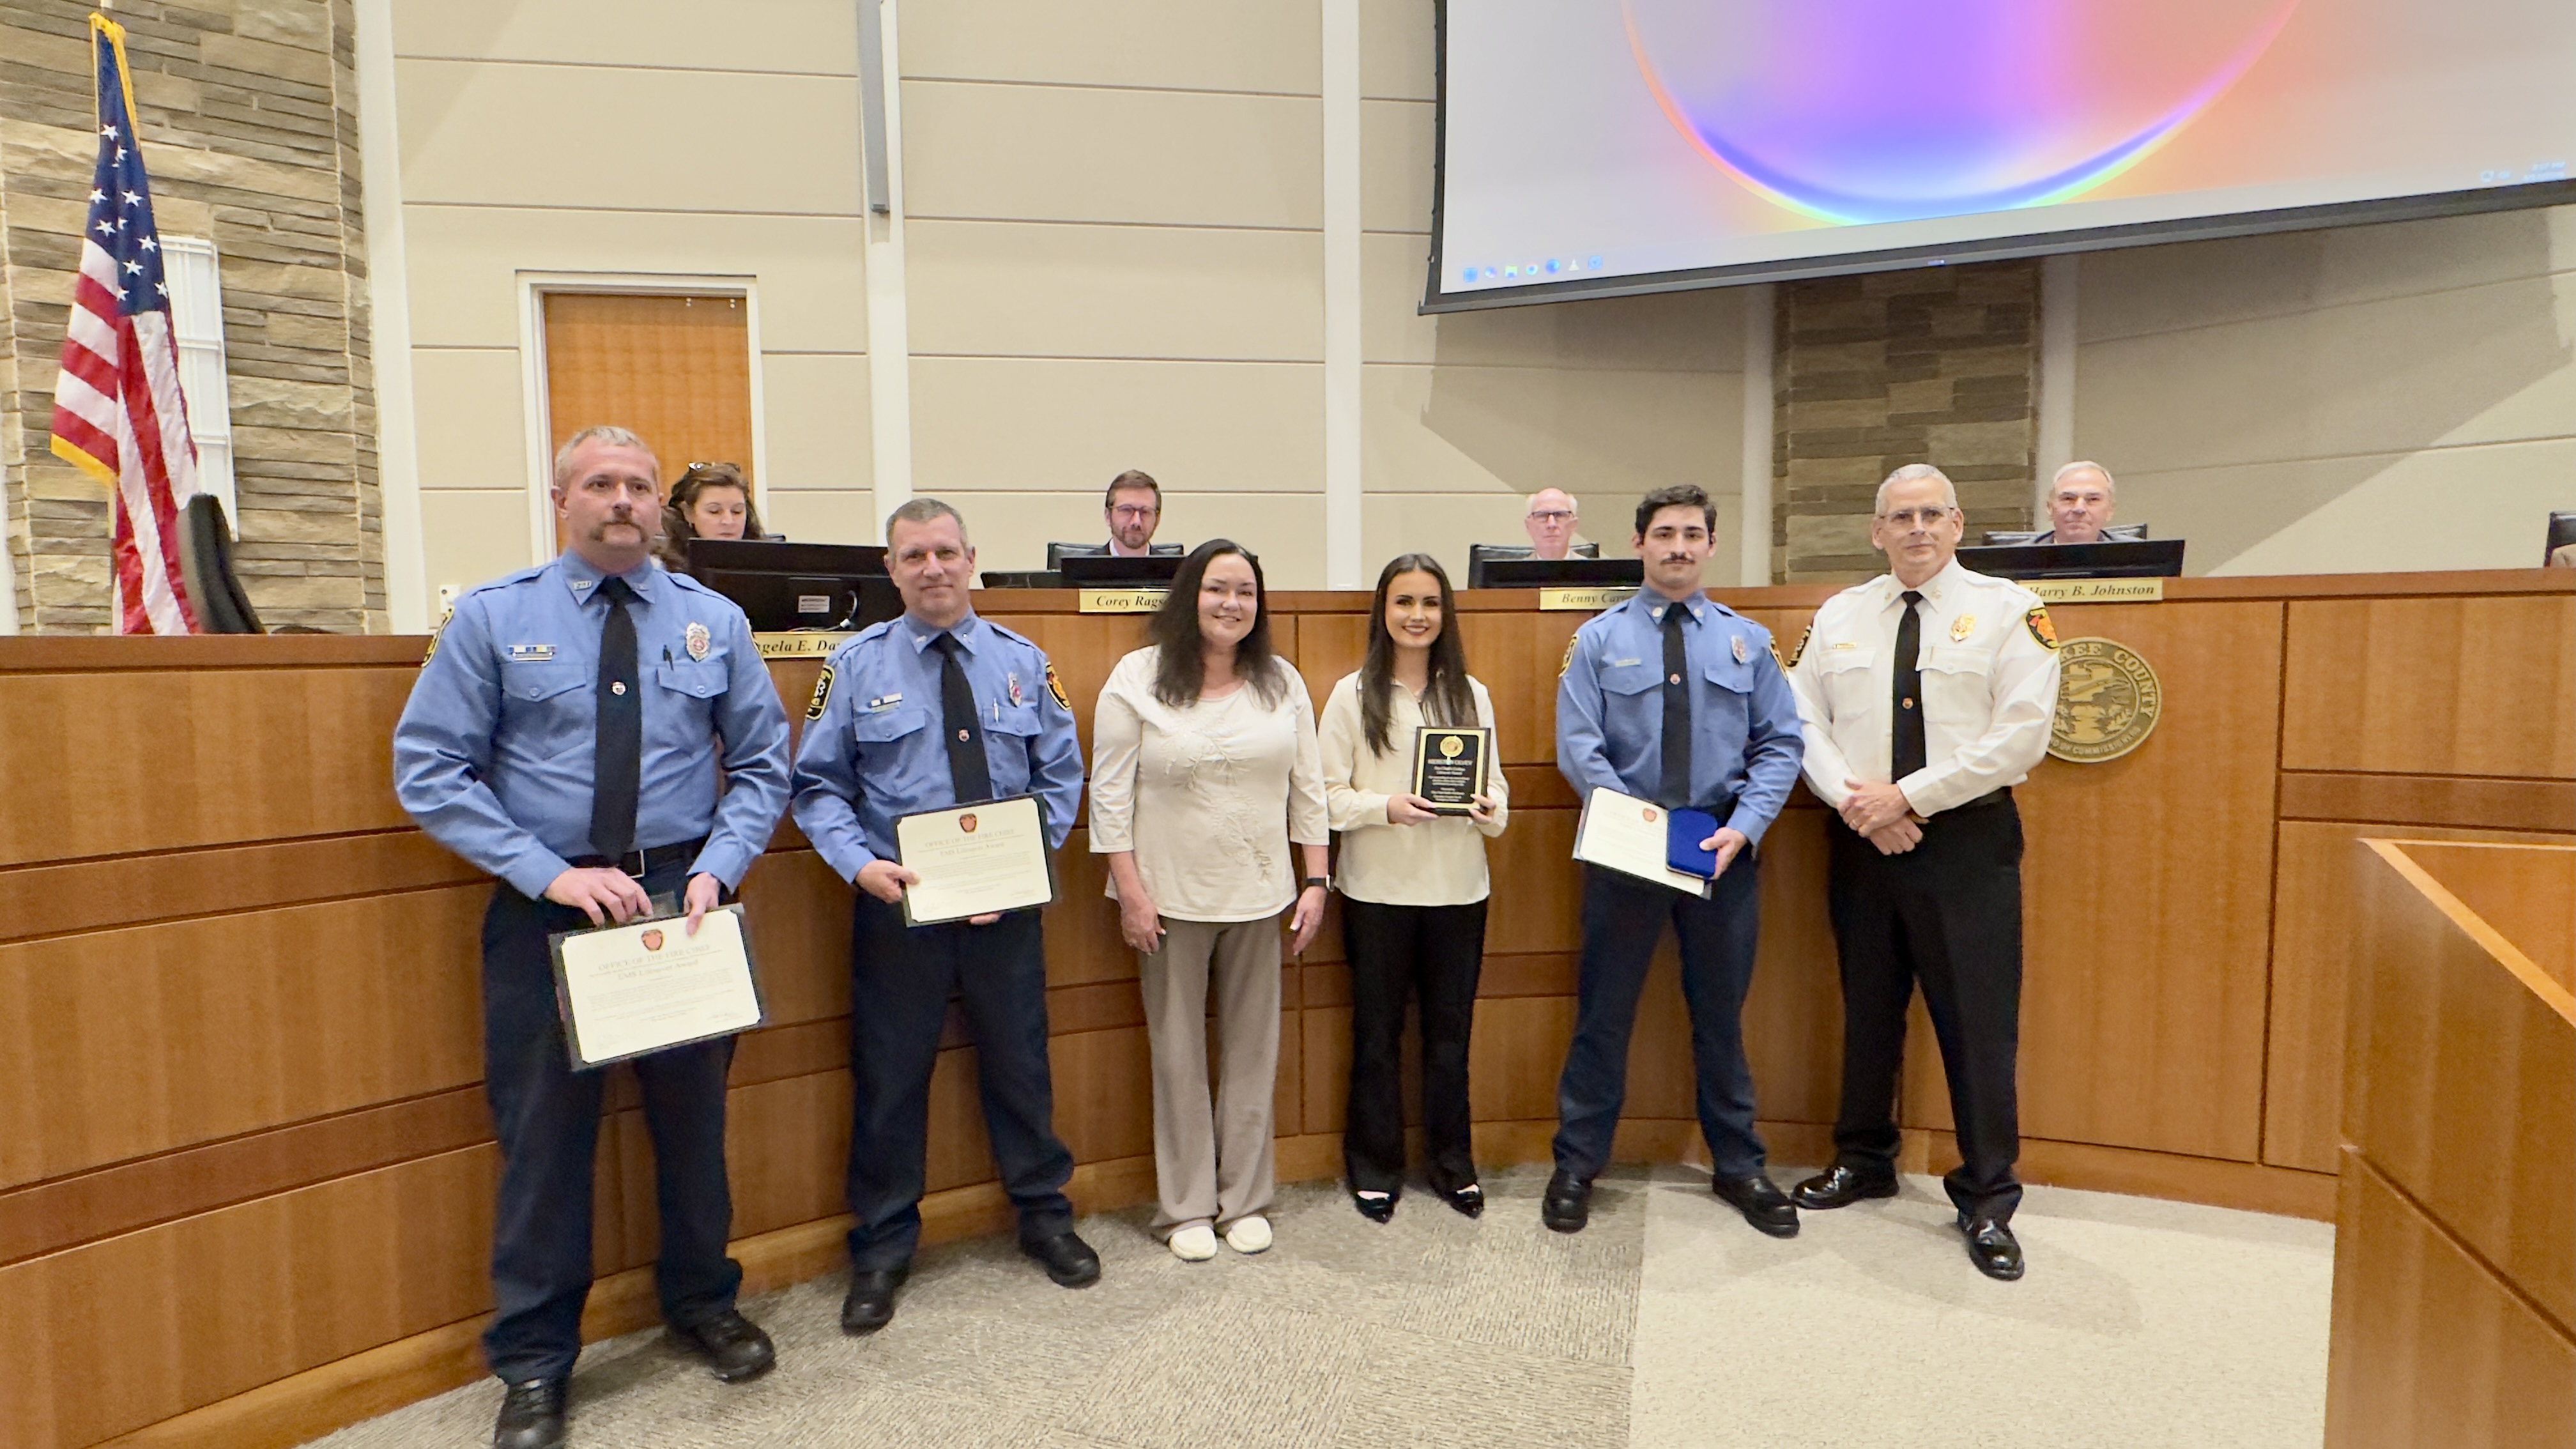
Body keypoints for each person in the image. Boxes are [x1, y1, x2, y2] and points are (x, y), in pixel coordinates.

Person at [392, 425, 790, 1449]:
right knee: (544, 1147)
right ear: (562, 499)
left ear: (662, 506)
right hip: (549, 913)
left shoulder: (715, 622)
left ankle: (703, 1301)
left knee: (693, 1129)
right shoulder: (492, 618)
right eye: (601, 485)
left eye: (640, 487)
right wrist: (552, 872)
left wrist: (720, 863)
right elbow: (430, 768)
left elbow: (761, 764)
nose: (623, 501)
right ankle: (533, 1362)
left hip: (682, 904)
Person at [790, 497, 1100, 1335]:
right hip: (902, 909)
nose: (933, 568)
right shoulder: (851, 669)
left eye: (946, 552)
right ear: (890, 570)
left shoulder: (1024, 662)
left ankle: (1044, 1216)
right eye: (914, 555)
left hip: (1006, 908)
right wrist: (861, 866)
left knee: (1021, 1063)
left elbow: (1059, 778)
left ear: (973, 561)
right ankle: (884, 1245)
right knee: (891, 1080)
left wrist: (1021, 865)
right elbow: (817, 787)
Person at [1784, 463, 2064, 1282]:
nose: (1915, 529)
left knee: (1978, 1026)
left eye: (1931, 515)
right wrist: (1860, 805)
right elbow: (1801, 722)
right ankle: (1863, 1158)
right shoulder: (1839, 615)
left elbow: (2022, 735)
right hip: (1861, 840)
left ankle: (1986, 1197)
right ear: (1876, 531)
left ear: (1957, 524)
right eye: (1899, 517)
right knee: (1868, 1010)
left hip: (1966, 844)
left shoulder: (2011, 611)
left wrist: (1907, 796)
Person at [1545, 483, 1805, 1238]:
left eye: (1693, 533)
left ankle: (1740, 1165)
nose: (1679, 547)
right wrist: (1633, 825)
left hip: (1718, 846)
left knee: (1720, 1016)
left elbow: (1780, 743)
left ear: (1711, 546)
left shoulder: (1747, 642)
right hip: (1628, 848)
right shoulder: (1597, 639)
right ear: (1639, 544)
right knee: (1604, 1014)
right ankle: (1577, 1164)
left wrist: (1747, 826)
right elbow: (1580, 745)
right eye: (1664, 533)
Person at [1089, 539, 1330, 1262]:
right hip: (1167, 899)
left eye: (1246, 593)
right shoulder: (1137, 676)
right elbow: (1108, 795)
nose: (1232, 604)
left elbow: (1309, 789)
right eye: (1218, 588)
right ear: (1189, 595)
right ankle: (1187, 1206)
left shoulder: (1280, 681)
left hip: (1262, 896)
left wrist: (1316, 879)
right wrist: (1130, 892)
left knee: (1254, 1054)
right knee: (1177, 1055)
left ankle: (1245, 1199)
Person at [1318, 554, 1509, 1223]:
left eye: (1429, 603)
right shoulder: (1351, 695)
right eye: (1404, 602)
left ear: (1445, 613)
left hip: (1458, 892)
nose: (1418, 615)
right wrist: (1385, 808)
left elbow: (1499, 787)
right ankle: (1374, 1167)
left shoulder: (1472, 694)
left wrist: (1489, 810)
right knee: (1376, 1035)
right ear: (1384, 611)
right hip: (1377, 893)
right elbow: (1325, 799)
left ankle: (1452, 1165)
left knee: (1450, 1038)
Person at [651, 459, 767, 571]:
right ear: (688, 513)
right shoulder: (661, 565)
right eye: (714, 511)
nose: (728, 521)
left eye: (737, 511)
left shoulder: (767, 561)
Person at [2030, 461, 2140, 544]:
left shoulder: (2138, 557)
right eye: (2068, 499)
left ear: (2110, 510)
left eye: (2093, 499)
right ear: (2050, 508)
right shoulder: (2014, 561)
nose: (2079, 509)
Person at [1104, 470, 1165, 556]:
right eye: (1126, 510)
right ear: (1108, 516)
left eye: (1145, 512)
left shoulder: (1177, 569)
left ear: (1157, 519)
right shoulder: (1081, 568)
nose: (1136, 522)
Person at [1523, 487, 1586, 560]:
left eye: (1560, 515)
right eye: (1542, 515)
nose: (1552, 524)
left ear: (1574, 525)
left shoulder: (1593, 570)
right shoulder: (1514, 571)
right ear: (1528, 526)